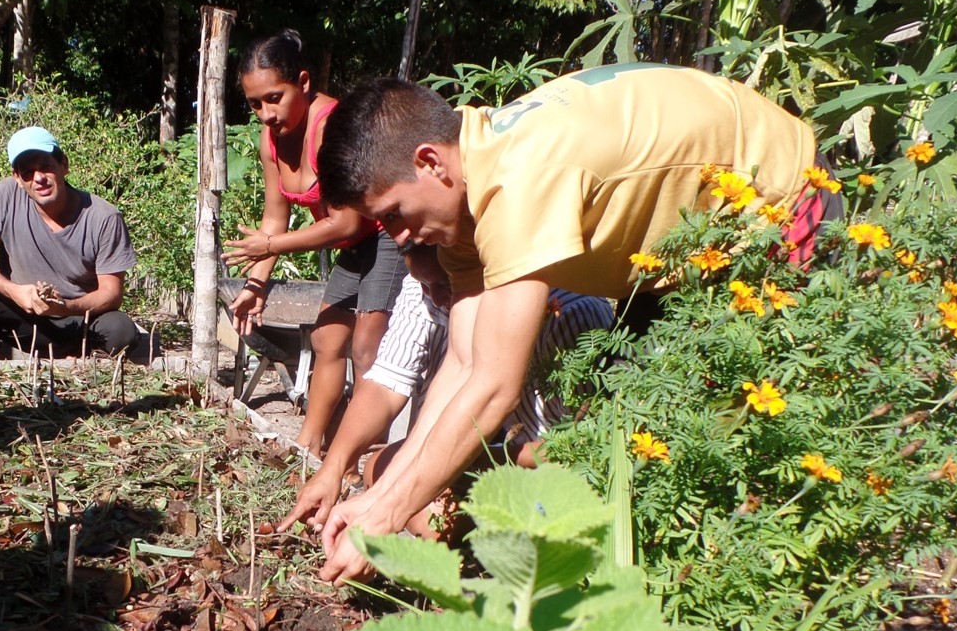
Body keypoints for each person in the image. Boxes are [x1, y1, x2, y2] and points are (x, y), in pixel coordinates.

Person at [312, 64, 836, 584]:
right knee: (648, 443)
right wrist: (378, 501)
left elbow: (495, 385)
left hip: (781, 208)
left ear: (430, 162)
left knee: (733, 442)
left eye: (395, 213)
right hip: (681, 253)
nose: (397, 237)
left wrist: (384, 516)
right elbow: (465, 360)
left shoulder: (518, 180)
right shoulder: (468, 190)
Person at [277, 244, 613, 540]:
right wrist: (332, 469)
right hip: (486, 454)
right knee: (379, 468)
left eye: (443, 283)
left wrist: (477, 457)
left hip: (544, 472)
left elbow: (576, 450)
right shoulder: (426, 286)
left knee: (432, 520)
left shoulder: (569, 316)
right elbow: (384, 385)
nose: (435, 298)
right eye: (426, 285)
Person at [222, 30, 406, 456]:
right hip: (356, 244)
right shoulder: (271, 139)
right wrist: (255, 286)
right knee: (326, 340)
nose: (265, 113)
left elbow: (345, 221)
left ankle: (363, 455)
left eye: (274, 97)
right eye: (254, 104)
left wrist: (269, 248)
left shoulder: (330, 126)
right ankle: (308, 444)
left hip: (389, 235)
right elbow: (275, 217)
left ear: (303, 82)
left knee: (366, 346)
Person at [0, 126, 139, 358]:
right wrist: (13, 291)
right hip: (20, 314)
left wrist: (65, 306)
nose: (38, 178)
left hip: (77, 320)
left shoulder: (104, 217)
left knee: (121, 332)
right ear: (17, 178)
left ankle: (78, 355)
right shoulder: (6, 195)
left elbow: (111, 293)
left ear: (64, 165)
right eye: (28, 172)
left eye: (46, 167)